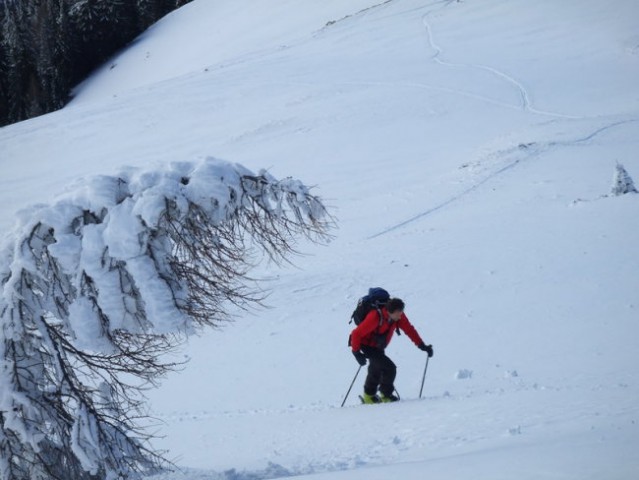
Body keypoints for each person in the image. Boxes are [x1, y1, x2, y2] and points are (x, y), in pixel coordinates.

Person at [350, 297, 433, 403]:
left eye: (401, 312)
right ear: (391, 311)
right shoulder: (375, 316)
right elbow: (356, 334)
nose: (401, 315)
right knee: (389, 368)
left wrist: (422, 346)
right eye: (399, 312)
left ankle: (368, 397)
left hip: (378, 346)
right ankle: (386, 395)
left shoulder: (398, 317)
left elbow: (409, 330)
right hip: (366, 345)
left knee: (376, 369)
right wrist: (356, 352)